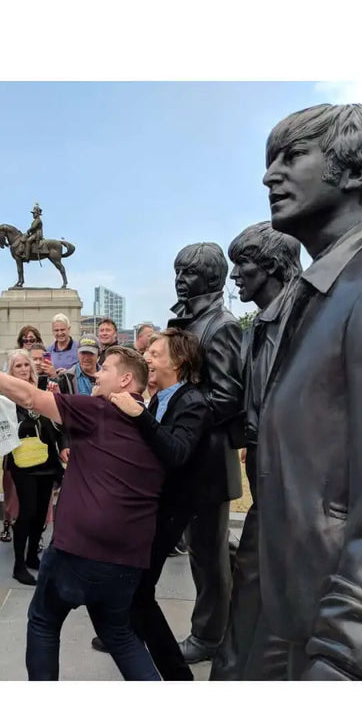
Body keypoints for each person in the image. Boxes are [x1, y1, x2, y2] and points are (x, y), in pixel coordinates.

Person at [254, 102, 362, 680]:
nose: (269, 175)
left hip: (343, 646)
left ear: (355, 172)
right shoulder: (327, 288)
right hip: (298, 617)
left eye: (292, 156)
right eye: (269, 159)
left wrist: (349, 661)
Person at [0, 339, 163, 681]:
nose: (97, 375)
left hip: (78, 551)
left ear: (126, 381)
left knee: (43, 621)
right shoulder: (154, 427)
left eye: (105, 369)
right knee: (120, 635)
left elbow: (29, 397)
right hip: (129, 558)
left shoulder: (99, 409)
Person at [210, 222, 302, 681]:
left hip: (295, 494)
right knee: (249, 595)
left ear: (271, 265)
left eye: (243, 265)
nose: (236, 277)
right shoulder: (257, 328)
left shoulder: (304, 317)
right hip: (268, 482)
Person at [98, 328, 213, 679]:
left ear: (178, 361)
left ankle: (175, 674)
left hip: (170, 511)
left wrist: (139, 414)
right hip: (150, 508)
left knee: (139, 593)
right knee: (135, 591)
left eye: (155, 354)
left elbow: (176, 452)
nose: (147, 358)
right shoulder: (160, 397)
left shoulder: (193, 402)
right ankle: (134, 645)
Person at [167, 241, 244, 664]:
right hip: (189, 458)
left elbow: (228, 396)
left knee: (208, 557)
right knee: (210, 549)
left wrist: (181, 411)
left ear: (211, 277)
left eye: (189, 273)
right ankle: (239, 611)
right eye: (177, 271)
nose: (180, 280)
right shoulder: (187, 321)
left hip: (210, 460)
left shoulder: (222, 325)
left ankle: (210, 636)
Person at [3, 350, 63, 586]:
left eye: (26, 365)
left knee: (40, 513)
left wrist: (52, 400)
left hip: (46, 457)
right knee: (26, 512)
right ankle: (19, 564)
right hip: (23, 460)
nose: (23, 369)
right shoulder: (8, 394)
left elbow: (56, 421)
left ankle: (31, 556)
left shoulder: (42, 389)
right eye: (18, 366)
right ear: (11, 370)